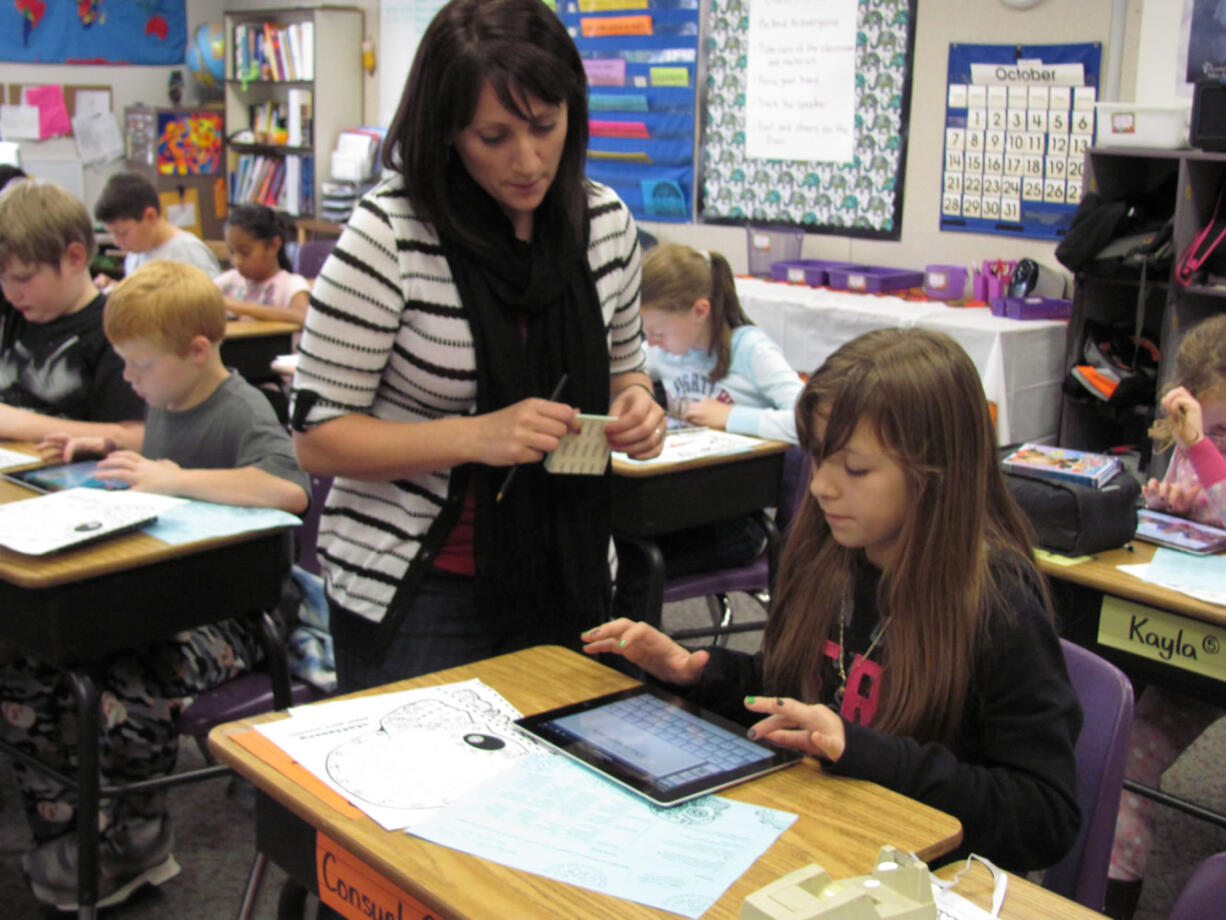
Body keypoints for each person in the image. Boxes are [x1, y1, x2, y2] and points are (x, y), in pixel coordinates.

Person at [583, 327, 1083, 872]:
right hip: (828, 843)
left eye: (856, 468)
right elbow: (800, 692)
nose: (820, 486)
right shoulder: (833, 554)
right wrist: (698, 672)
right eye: (817, 458)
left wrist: (862, 752)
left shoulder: (997, 604)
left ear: (937, 474)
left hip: (923, 883)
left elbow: (1045, 816)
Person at [289, 0, 664, 695]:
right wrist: (475, 436)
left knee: (559, 784)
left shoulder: (604, 224)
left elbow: (623, 371)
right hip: (422, 587)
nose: (527, 161)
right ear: (447, 133)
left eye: (545, 128)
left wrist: (638, 405)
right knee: (424, 796)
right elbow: (317, 439)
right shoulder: (391, 236)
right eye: (494, 137)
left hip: (569, 572)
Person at [1, 260, 310, 912]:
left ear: (197, 352)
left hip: (233, 615)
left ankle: (135, 839)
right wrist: (99, 448)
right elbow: (155, 466)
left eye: (139, 367)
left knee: (130, 679)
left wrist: (173, 477)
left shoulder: (240, 407)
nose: (130, 380)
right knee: (26, 666)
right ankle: (73, 827)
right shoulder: (166, 396)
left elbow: (288, 489)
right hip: (165, 589)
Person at [1105, 313, 1226, 920]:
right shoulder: (1191, 440)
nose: (1212, 440)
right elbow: (1203, 508)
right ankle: (1106, 900)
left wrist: (1203, 450)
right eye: (1212, 428)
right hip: (1196, 634)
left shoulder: (1202, 441)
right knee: (1128, 757)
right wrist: (1172, 502)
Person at [612, 241, 802, 621]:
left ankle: (635, 671)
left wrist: (730, 418)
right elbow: (625, 375)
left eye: (658, 332)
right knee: (609, 550)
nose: (651, 342)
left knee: (635, 567)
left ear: (700, 312)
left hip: (738, 523)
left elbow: (810, 419)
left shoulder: (751, 351)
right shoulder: (669, 351)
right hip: (676, 507)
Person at [0, 179, 145, 445]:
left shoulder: (117, 330)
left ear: (75, 258)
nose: (11, 293)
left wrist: (16, 423)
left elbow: (135, 437)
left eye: (23, 278)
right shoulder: (11, 311)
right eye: (2, 279)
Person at [93, 172, 221, 284]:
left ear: (150, 216)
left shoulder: (189, 252)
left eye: (122, 233)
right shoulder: (136, 254)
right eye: (113, 234)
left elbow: (214, 303)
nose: (117, 242)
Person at [214, 203, 311, 326]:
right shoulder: (229, 280)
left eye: (245, 252)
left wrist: (243, 308)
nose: (236, 261)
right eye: (232, 252)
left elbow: (305, 317)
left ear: (274, 245)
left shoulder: (291, 284)